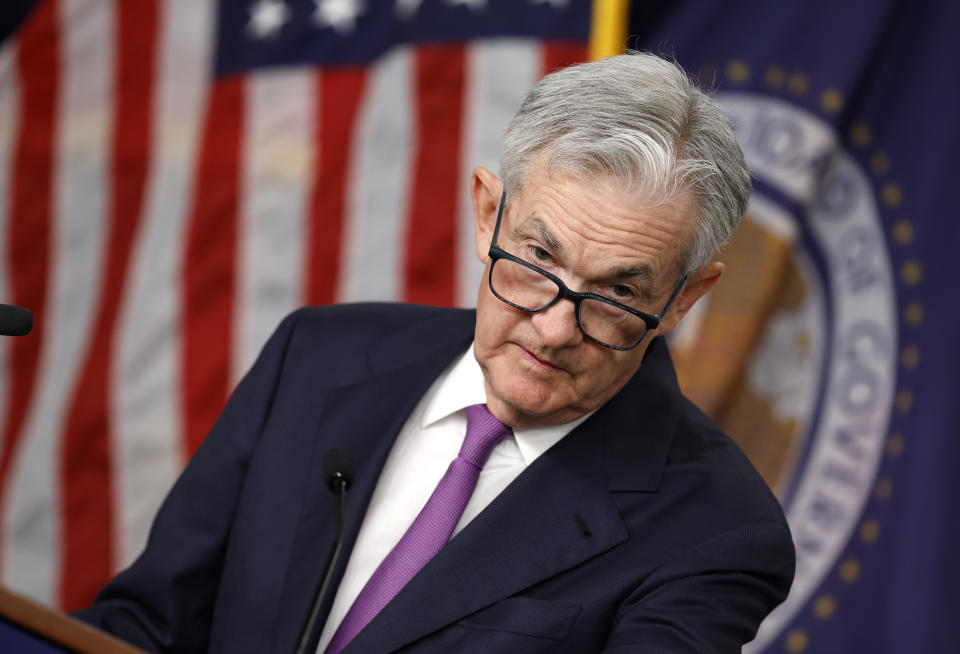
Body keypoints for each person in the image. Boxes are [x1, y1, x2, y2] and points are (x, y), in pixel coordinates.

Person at [77, 52, 795, 653]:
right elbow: (148, 626)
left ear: (684, 299)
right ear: (489, 215)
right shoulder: (317, 355)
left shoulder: (717, 533)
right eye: (539, 258)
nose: (552, 329)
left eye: (615, 293)